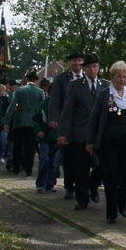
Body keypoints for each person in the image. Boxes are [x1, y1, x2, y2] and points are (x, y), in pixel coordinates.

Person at [87, 61, 126, 224]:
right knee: (111, 178)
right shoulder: (104, 94)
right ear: (112, 77)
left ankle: (122, 202)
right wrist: (90, 141)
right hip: (108, 144)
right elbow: (94, 119)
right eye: (119, 77)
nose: (122, 80)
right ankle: (111, 213)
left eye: (124, 77)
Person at [58, 52, 109, 210]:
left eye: (94, 66)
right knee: (81, 169)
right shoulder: (75, 85)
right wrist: (63, 133)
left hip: (100, 135)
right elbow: (67, 111)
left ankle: (93, 187)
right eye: (88, 67)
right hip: (80, 133)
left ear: (98, 68)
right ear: (84, 69)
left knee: (102, 165)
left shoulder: (106, 85)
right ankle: (82, 199)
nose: (92, 69)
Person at [49, 50, 85, 199]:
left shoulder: (88, 78)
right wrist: (53, 117)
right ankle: (69, 186)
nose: (77, 63)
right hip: (68, 122)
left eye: (79, 60)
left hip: (83, 123)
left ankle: (83, 185)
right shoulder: (61, 79)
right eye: (74, 60)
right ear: (70, 62)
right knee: (69, 156)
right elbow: (54, 100)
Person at [5, 70, 45, 176]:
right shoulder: (40, 92)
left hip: (19, 122)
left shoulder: (19, 90)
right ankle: (28, 169)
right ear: (35, 80)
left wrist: (7, 121)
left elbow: (12, 106)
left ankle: (16, 167)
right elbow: (42, 108)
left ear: (26, 79)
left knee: (17, 145)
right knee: (30, 147)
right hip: (33, 123)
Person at [33, 94, 61, 192]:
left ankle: (50, 183)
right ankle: (41, 184)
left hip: (56, 137)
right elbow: (36, 119)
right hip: (44, 137)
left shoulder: (61, 105)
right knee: (44, 159)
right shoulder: (43, 105)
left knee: (54, 162)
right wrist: (38, 130)